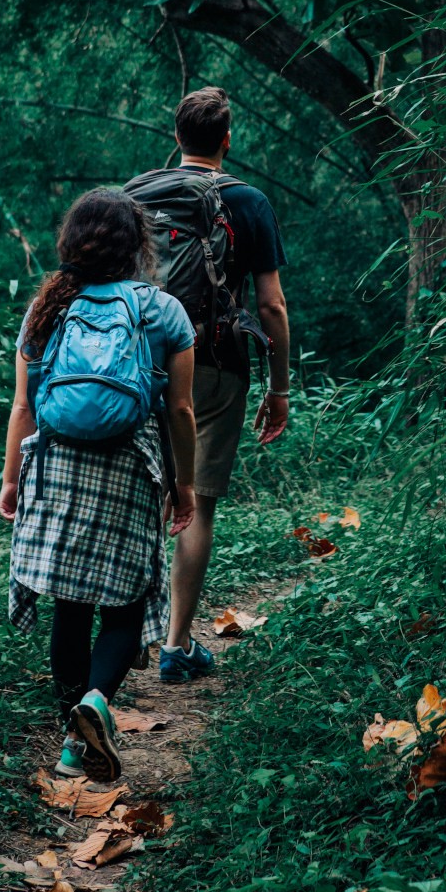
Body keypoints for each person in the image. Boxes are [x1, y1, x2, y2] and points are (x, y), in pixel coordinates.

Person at [0, 188, 196, 782]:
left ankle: (70, 743)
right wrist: (182, 486)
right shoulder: (161, 311)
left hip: (57, 464)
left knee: (71, 605)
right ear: (137, 246)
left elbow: (23, 407)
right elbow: (180, 411)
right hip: (130, 467)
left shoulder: (46, 308)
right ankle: (95, 704)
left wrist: (11, 479)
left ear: (70, 241)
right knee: (124, 605)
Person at [130, 86, 291, 684]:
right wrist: (280, 389)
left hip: (140, 367)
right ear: (227, 139)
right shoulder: (249, 202)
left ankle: (126, 638)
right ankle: (175, 647)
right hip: (217, 365)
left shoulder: (135, 196)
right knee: (196, 505)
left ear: (176, 136)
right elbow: (271, 307)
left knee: (139, 499)